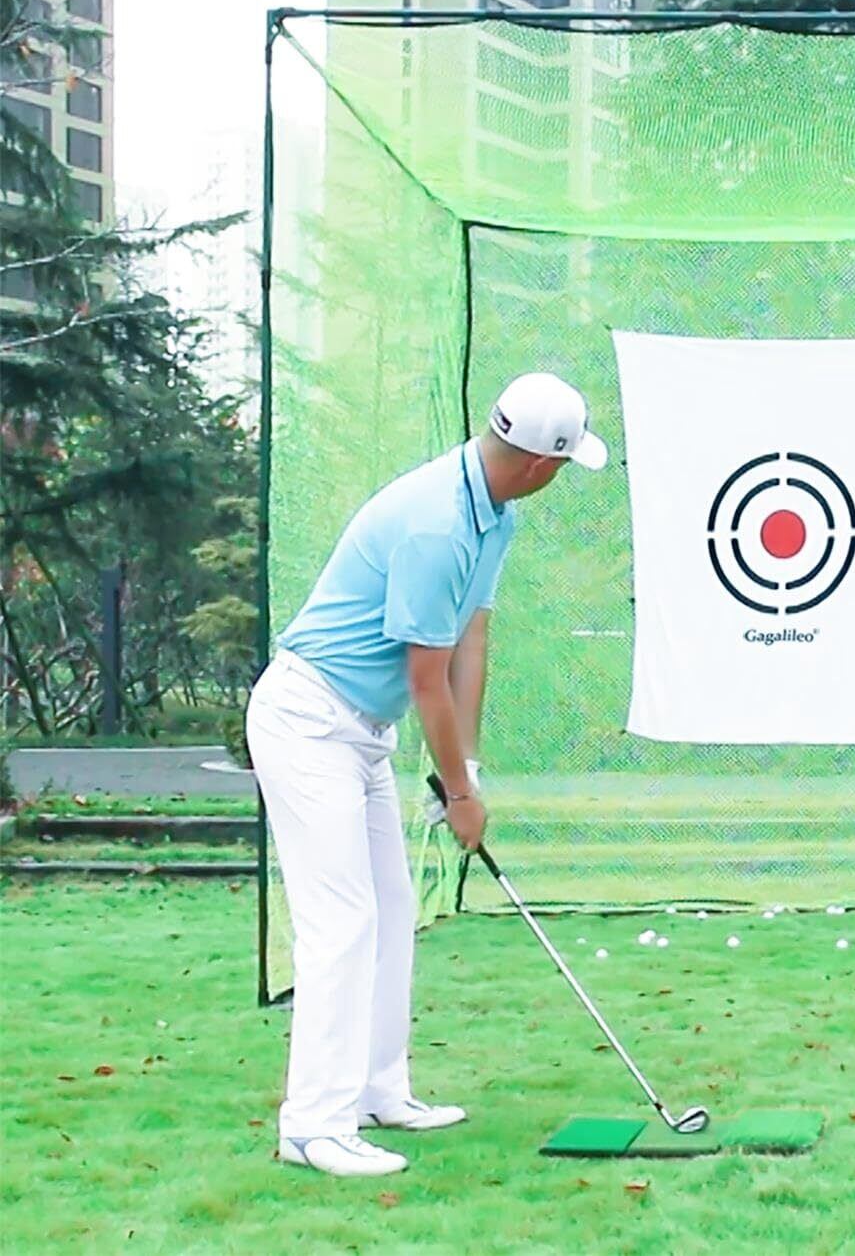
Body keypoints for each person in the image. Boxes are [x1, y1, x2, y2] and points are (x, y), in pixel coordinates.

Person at [247, 372, 607, 1177]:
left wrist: (462, 769)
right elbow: (425, 678)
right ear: (540, 463)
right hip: (308, 720)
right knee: (341, 920)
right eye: (562, 463)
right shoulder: (438, 523)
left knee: (391, 907)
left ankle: (379, 1090)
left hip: (361, 731)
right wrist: (463, 797)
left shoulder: (494, 514)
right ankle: (313, 1125)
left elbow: (470, 638)